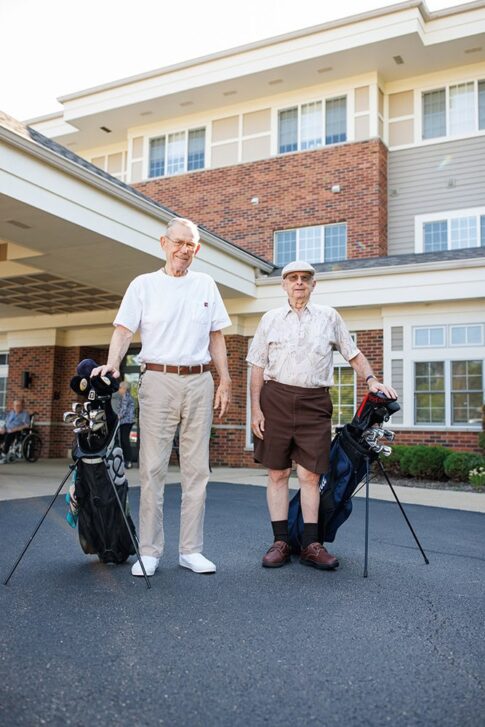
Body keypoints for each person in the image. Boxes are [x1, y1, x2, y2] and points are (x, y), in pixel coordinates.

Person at [91, 217, 232, 577]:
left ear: (197, 250)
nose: (185, 249)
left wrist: (225, 380)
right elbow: (123, 331)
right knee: (153, 468)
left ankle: (191, 550)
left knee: (196, 470)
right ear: (164, 243)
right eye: (179, 242)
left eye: (192, 245)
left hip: (199, 381)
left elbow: (217, 337)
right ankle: (150, 552)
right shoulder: (143, 285)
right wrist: (111, 365)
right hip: (157, 380)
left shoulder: (206, 284)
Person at [247, 261, 397, 571]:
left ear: (314, 285)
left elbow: (353, 354)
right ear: (284, 285)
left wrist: (372, 380)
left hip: (315, 402)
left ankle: (312, 544)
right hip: (274, 399)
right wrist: (256, 410)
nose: (299, 283)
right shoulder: (270, 319)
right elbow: (257, 368)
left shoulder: (329, 317)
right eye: (292, 278)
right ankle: (280, 541)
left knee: (310, 475)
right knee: (276, 473)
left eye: (305, 278)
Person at [118, 381, 135, 469]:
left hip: (126, 421)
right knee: (124, 441)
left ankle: (128, 461)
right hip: (127, 421)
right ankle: (126, 460)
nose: (119, 390)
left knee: (124, 441)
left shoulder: (125, 396)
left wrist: (118, 417)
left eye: (120, 388)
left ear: (124, 388)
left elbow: (123, 409)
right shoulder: (127, 396)